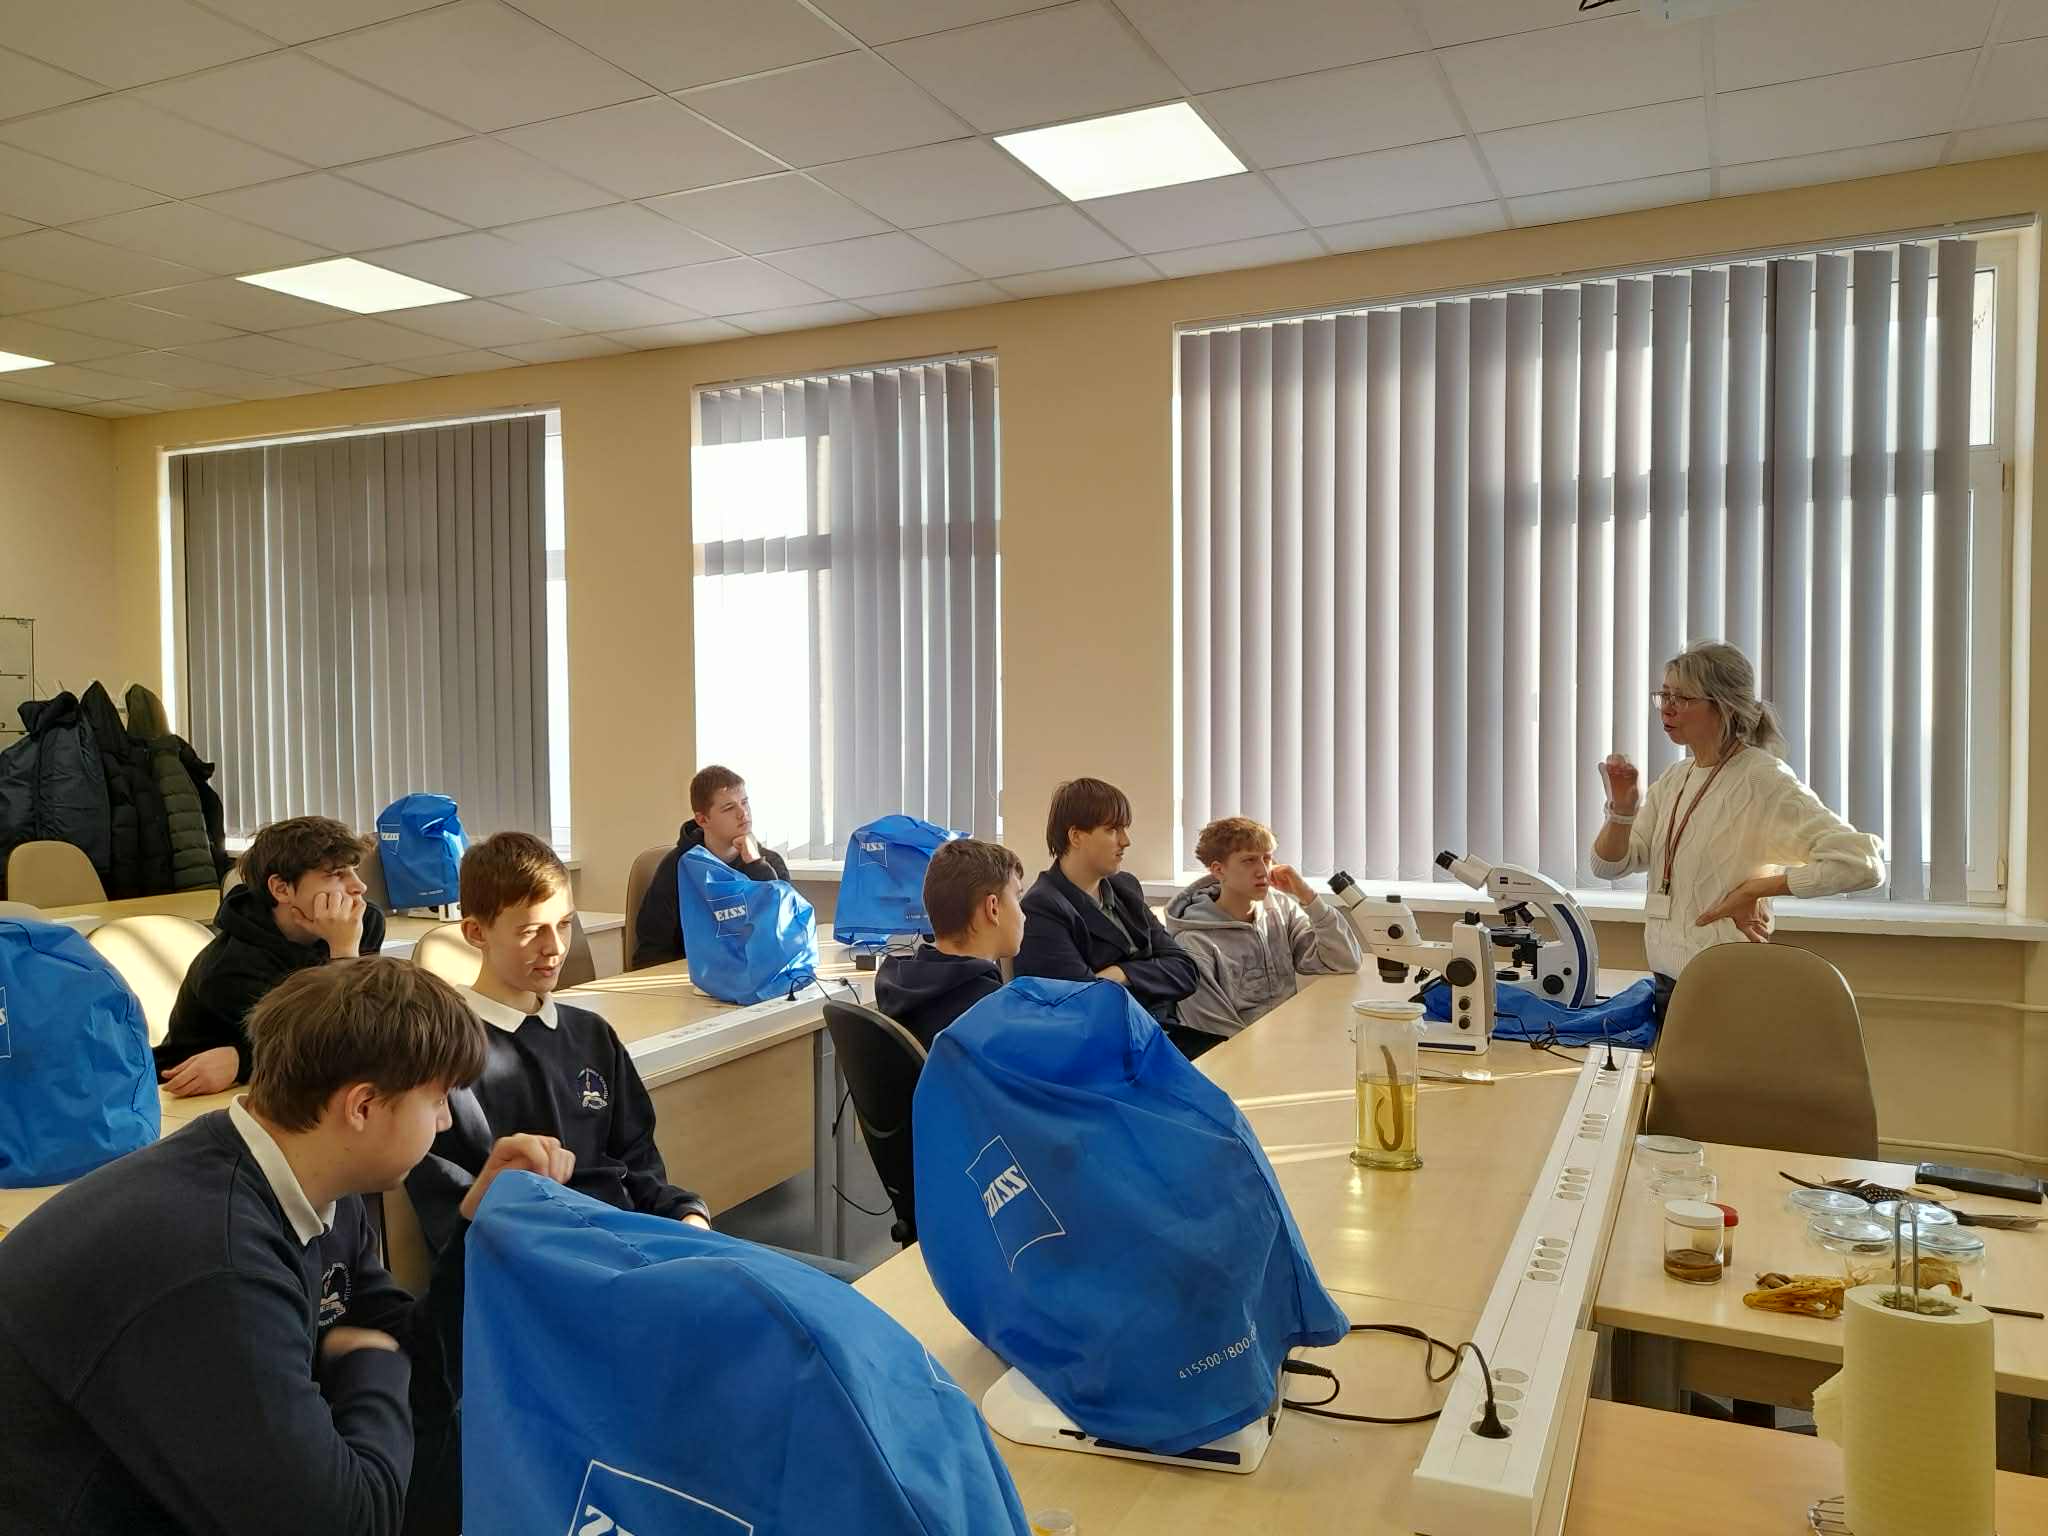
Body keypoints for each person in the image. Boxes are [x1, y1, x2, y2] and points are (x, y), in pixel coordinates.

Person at [0, 958, 572, 1536]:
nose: (445, 1122)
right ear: (363, 1106)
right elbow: (347, 1524)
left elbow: (418, 1362)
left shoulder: (318, 1187)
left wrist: (478, 1227)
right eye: (438, 1100)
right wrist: (375, 1364)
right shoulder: (216, 1259)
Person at [405, 833, 858, 1279]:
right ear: (475, 932)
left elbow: (640, 1168)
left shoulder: (591, 1035)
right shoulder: (445, 1067)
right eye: (530, 931)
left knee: (839, 1286)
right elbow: (457, 1229)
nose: (555, 947)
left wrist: (685, 1214)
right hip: (563, 1273)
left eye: (564, 925)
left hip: (636, 1245)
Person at [1590, 639, 1885, 1015]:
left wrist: (1757, 889)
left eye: (1683, 698)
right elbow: (1609, 866)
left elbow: (1863, 864)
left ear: (1724, 706)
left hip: (1728, 987)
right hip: (1668, 982)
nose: (1667, 707)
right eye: (1664, 695)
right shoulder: (1676, 777)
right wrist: (1622, 811)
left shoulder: (1763, 779)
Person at [156, 814, 386, 1097]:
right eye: (336, 874)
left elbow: (375, 1030)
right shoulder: (231, 968)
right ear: (281, 888)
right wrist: (344, 954)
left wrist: (241, 1060)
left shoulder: (362, 922)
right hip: (192, 1096)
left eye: (354, 870)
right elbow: (334, 1050)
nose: (359, 887)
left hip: (275, 1081)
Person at [1016, 777, 1202, 1053]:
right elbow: (1085, 1005)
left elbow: (1185, 971)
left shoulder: (1125, 887)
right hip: (1110, 1052)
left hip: (1160, 1036)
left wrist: (1121, 973)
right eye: (1113, 830)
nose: (1126, 841)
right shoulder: (1042, 908)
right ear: (1076, 836)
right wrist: (1152, 975)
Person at [1164, 816, 1363, 1044]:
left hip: (1290, 1042)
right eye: (1249, 860)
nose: (1262, 871)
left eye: (1267, 858)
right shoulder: (1193, 943)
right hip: (1240, 1057)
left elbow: (1346, 961)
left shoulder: (1280, 908)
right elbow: (1218, 1035)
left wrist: (1308, 896)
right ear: (1219, 870)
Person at [632, 765, 791, 971]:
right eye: (729, 808)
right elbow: (652, 949)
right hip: (693, 977)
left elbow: (785, 931)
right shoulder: (676, 867)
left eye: (744, 802)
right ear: (702, 819)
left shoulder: (769, 863)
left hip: (757, 975)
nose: (743, 813)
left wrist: (756, 866)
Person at [874, 838, 1025, 1050]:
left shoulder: (899, 984)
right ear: (993, 908)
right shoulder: (991, 1013)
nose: (1023, 915)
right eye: (1017, 898)